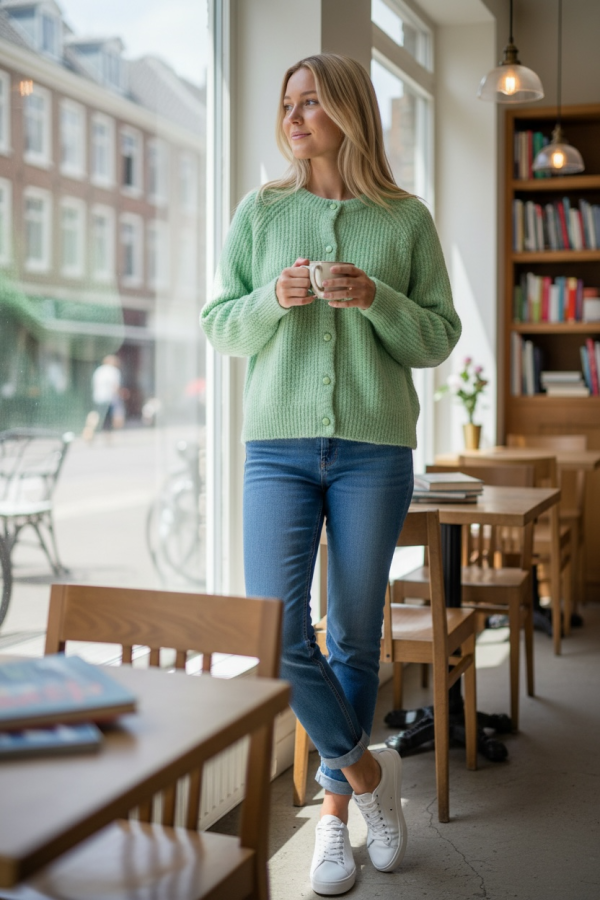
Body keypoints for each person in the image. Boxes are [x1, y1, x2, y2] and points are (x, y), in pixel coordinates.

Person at [201, 53, 461, 896]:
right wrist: (271, 299)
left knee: (352, 636)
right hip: (276, 446)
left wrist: (376, 299)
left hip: (373, 450)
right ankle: (370, 779)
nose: (294, 115)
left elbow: (437, 338)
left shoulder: (406, 219)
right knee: (277, 633)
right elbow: (221, 328)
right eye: (287, 103)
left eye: (310, 101)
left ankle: (334, 825)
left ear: (349, 110)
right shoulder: (261, 210)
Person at [84, 355, 123, 441]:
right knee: (113, 416)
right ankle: (108, 434)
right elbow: (115, 386)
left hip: (98, 397)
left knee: (98, 416)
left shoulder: (99, 370)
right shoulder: (114, 371)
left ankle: (90, 431)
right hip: (110, 398)